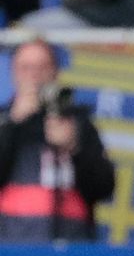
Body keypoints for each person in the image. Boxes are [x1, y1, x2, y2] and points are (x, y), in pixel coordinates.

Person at [0, 39, 116, 242]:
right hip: (11, 248)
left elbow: (104, 188)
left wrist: (74, 148)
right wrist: (13, 124)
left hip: (71, 247)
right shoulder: (4, 121)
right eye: (26, 68)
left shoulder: (77, 123)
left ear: (55, 71)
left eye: (42, 67)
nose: (34, 75)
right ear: (14, 73)